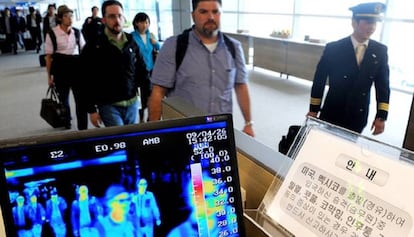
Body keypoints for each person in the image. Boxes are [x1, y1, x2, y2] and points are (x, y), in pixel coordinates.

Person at [147, 0, 254, 137]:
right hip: (183, 132)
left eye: (215, 12)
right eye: (203, 12)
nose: (210, 17)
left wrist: (248, 122)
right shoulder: (173, 46)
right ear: (193, 15)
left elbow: (241, 86)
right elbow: (158, 92)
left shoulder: (234, 47)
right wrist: (154, 133)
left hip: (220, 131)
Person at [307, 2, 390, 135]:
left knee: (348, 149)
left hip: (358, 113)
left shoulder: (380, 51)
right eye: (367, 22)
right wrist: (314, 109)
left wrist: (381, 116)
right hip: (333, 110)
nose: (372, 27)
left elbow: (383, 86)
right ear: (354, 22)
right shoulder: (334, 48)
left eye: (375, 23)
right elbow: (319, 80)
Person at [81, 0, 149, 128]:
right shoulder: (94, 46)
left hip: (132, 103)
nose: (117, 20)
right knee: (121, 140)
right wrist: (91, 110)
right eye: (112, 16)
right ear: (104, 20)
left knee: (132, 139)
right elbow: (85, 80)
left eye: (119, 16)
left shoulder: (131, 41)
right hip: (108, 105)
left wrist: (150, 97)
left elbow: (142, 71)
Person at [45, 5, 87, 130]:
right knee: (64, 99)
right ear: (60, 18)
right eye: (66, 16)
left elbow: (83, 51)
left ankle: (82, 126)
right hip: (60, 68)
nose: (70, 19)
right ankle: (67, 120)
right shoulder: (52, 34)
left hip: (76, 67)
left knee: (81, 100)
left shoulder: (77, 32)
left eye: (71, 16)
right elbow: (48, 57)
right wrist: (49, 77)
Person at [131, 12, 160, 123]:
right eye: (142, 22)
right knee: (141, 98)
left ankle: (150, 118)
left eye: (147, 22)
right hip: (138, 72)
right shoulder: (132, 37)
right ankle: (141, 118)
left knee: (151, 96)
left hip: (151, 70)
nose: (145, 25)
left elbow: (159, 48)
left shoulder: (151, 35)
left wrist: (155, 42)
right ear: (137, 23)